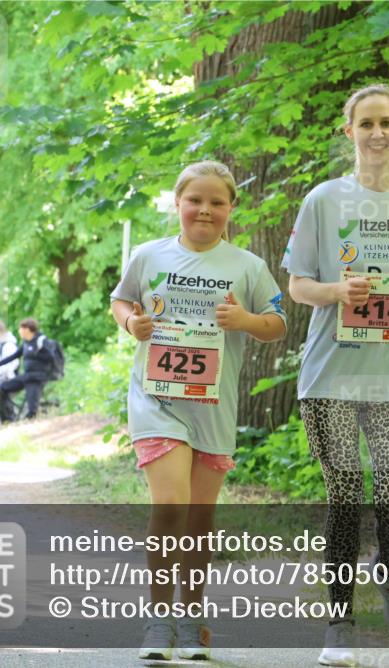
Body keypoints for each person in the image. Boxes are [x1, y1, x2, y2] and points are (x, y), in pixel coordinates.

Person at [283, 83, 389, 666]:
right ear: (348, 132)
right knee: (345, 494)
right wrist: (336, 290)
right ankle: (340, 623)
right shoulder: (324, 200)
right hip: (331, 375)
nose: (377, 132)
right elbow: (298, 284)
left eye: (387, 122)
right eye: (366, 123)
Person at [110, 160, 287, 662]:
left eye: (216, 202)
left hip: (212, 406)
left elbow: (277, 323)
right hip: (155, 400)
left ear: (231, 208)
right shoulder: (149, 256)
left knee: (199, 519)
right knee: (171, 506)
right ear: (178, 203)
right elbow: (120, 301)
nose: (204, 210)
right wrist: (132, 325)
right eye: (195, 200)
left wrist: (247, 319)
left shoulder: (247, 265)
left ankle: (191, 618)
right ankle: (157, 621)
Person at [0, 318, 55, 420]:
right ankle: (8, 415)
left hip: (36, 378)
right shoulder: (26, 343)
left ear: (27, 329)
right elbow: (14, 356)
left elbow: (51, 357)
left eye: (21, 329)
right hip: (26, 376)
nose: (19, 331)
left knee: (32, 412)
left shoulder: (41, 340)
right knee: (3, 388)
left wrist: (37, 354)